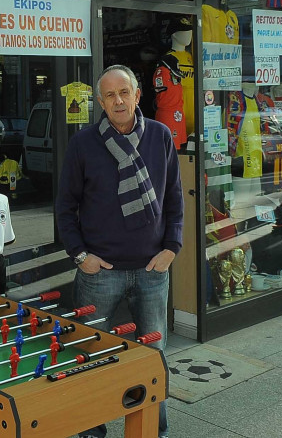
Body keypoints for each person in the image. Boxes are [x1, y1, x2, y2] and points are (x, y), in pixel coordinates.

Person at [56, 65, 183, 438]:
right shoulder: (83, 144)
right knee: (88, 356)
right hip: (100, 274)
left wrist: (172, 248)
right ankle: (91, 431)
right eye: (110, 95)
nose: (118, 101)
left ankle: (153, 430)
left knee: (153, 358)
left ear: (137, 95)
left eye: (124, 92)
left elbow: (175, 198)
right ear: (100, 102)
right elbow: (65, 208)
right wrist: (81, 256)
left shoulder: (160, 137)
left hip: (152, 271)